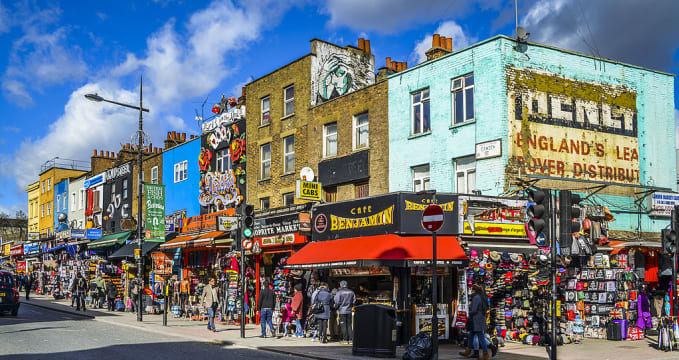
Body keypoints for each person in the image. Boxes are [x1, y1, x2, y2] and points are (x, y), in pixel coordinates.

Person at [460, 284, 490, 360]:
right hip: (478, 319)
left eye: (471, 290)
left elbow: (474, 309)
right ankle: (468, 350)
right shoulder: (481, 296)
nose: (471, 291)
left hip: (477, 320)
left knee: (481, 337)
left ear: (474, 290)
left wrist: (468, 311)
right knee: (471, 336)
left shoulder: (476, 297)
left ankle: (485, 354)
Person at [334, 280, 356, 344]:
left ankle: (345, 340)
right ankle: (351, 340)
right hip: (349, 311)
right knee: (349, 325)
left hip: (342, 311)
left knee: (343, 325)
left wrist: (337, 307)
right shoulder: (351, 292)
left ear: (341, 285)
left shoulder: (339, 292)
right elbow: (354, 301)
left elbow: (337, 302)